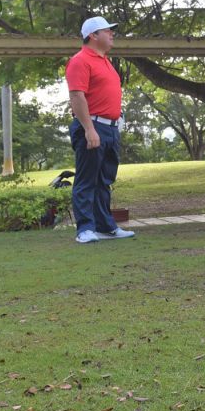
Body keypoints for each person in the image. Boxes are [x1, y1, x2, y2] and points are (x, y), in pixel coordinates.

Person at [65, 16, 136, 244]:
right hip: (92, 126)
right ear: (93, 35)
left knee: (104, 180)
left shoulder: (105, 61)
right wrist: (89, 129)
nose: (112, 34)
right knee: (87, 180)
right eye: (107, 31)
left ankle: (106, 227)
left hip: (110, 129)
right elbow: (77, 96)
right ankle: (85, 229)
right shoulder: (80, 60)